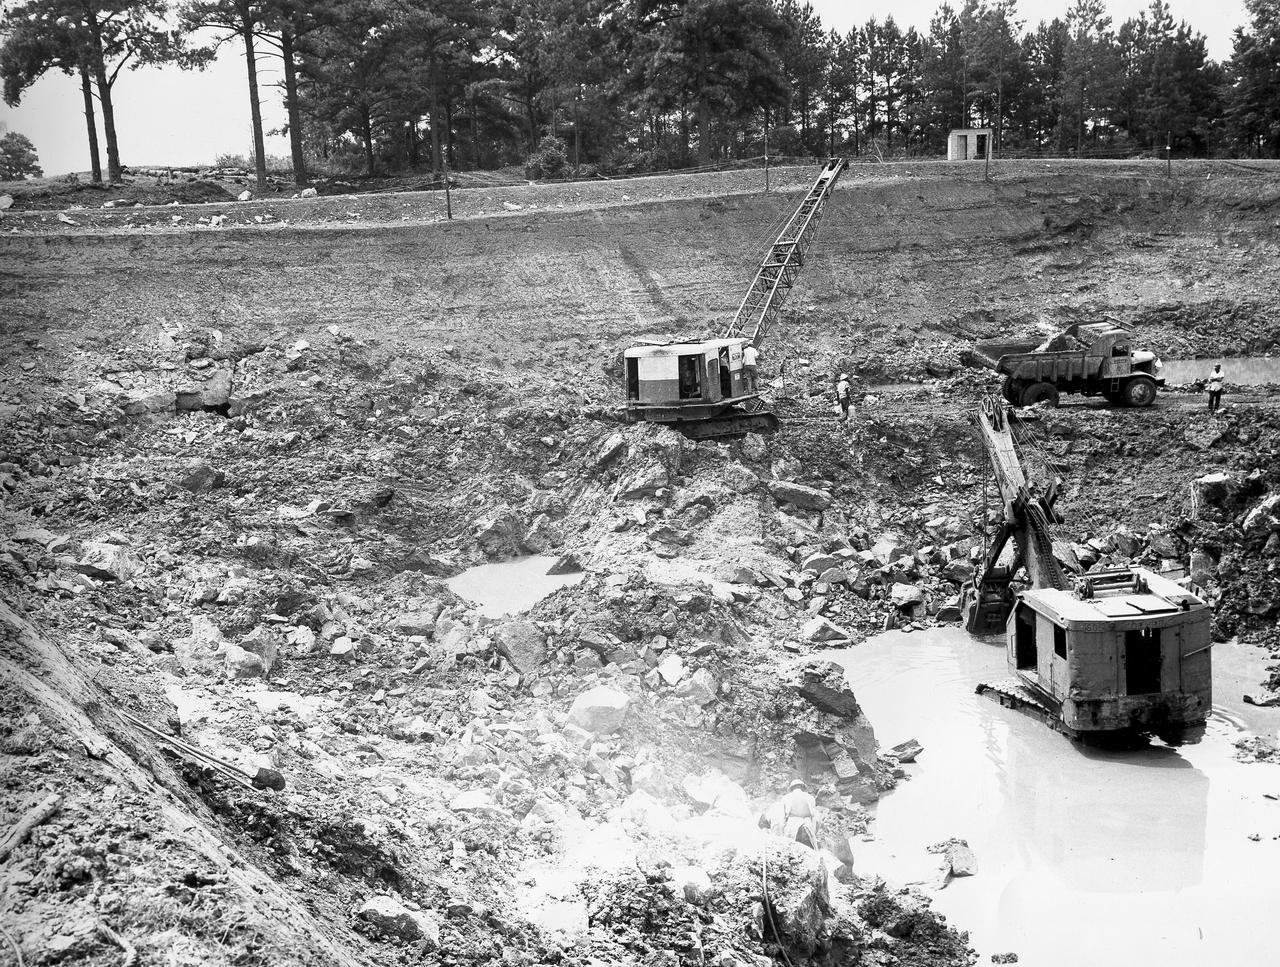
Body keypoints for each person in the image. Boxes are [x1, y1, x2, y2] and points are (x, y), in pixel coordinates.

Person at [780, 778, 818, 849]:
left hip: (792, 826)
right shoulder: (810, 797)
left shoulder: (785, 798)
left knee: (788, 848)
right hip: (807, 825)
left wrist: (782, 833)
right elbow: (814, 817)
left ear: (792, 788)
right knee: (811, 849)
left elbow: (782, 818)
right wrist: (813, 833)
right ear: (802, 787)